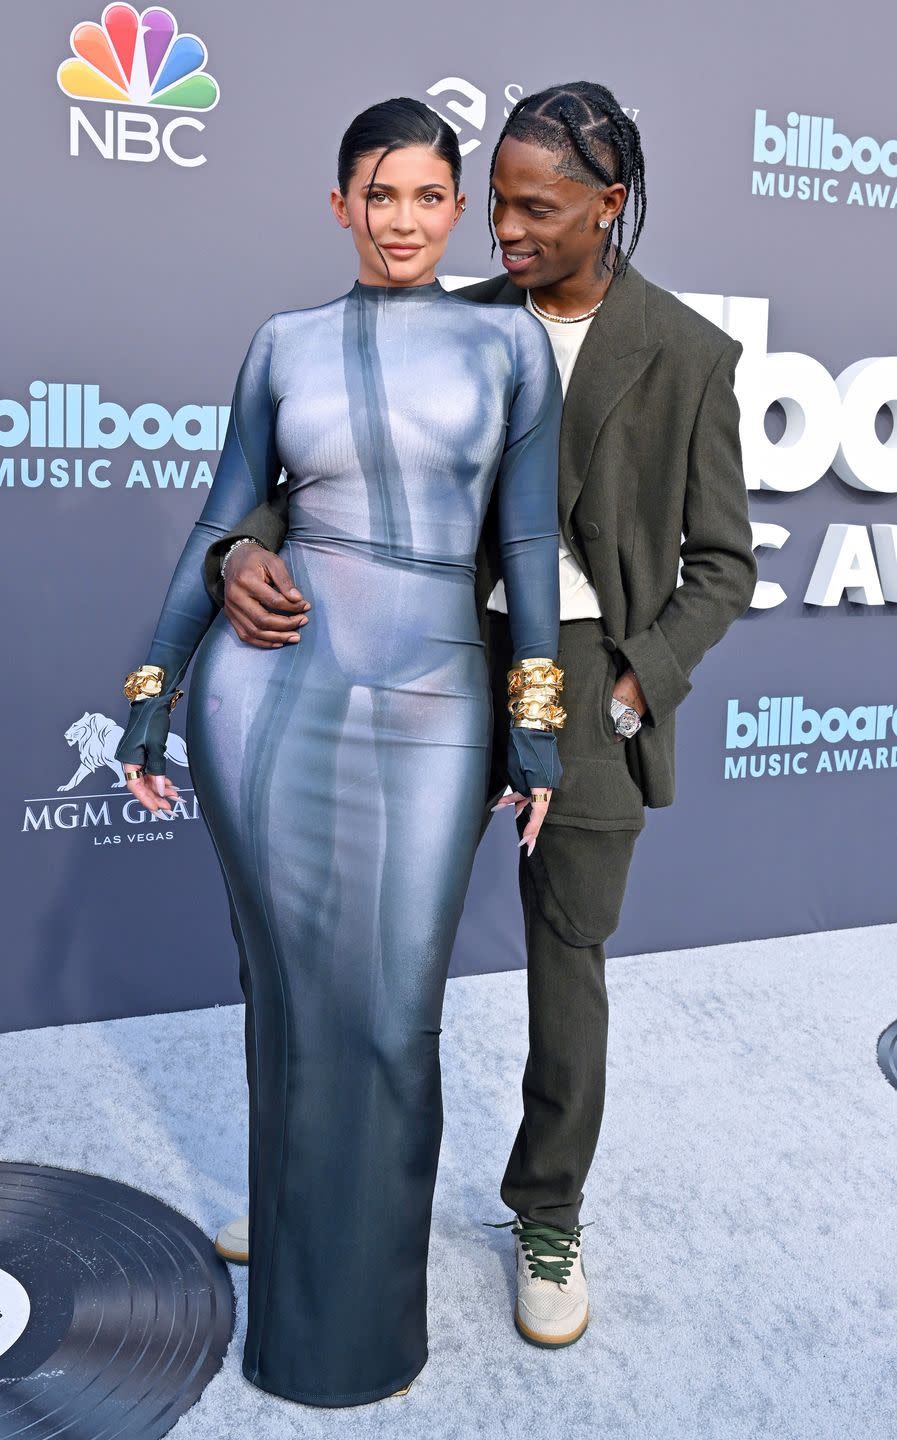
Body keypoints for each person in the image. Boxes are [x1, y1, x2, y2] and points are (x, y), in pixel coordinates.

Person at [202, 81, 758, 1351]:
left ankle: (547, 1211)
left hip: (585, 670)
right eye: (493, 202)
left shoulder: (686, 355)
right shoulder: (450, 321)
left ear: (608, 208)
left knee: (567, 958)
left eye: (534, 208)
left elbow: (722, 562)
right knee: (349, 945)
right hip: (434, 656)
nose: (499, 229)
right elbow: (309, 476)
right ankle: (315, 1183)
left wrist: (631, 679)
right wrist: (243, 545)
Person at [112, 96, 565, 1406]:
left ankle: (372, 1327)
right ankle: (297, 1332)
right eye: (382, 196)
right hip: (270, 700)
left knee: (390, 1025)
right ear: (340, 205)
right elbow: (222, 516)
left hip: (435, 706)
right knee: (304, 1017)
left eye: (431, 197)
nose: (406, 222)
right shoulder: (284, 344)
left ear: (458, 207)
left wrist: (534, 724)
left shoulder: (510, 355)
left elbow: (526, 550)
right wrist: (155, 687)